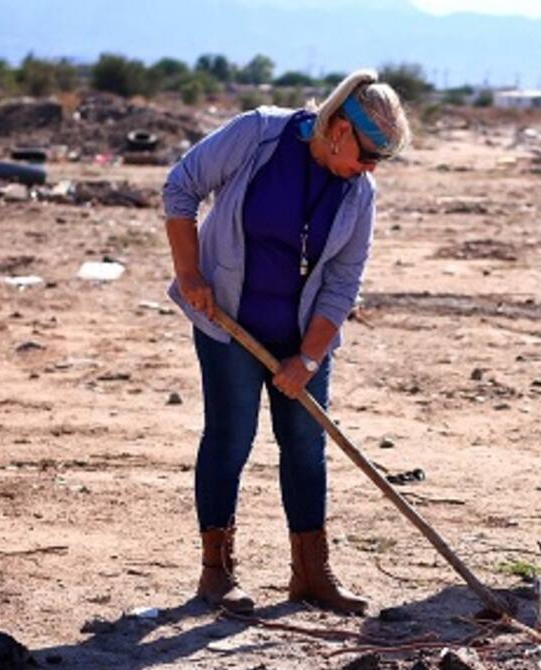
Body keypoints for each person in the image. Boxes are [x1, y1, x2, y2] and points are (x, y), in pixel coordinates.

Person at [162, 69, 410, 614]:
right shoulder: (257, 135)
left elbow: (343, 282)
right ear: (339, 129)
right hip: (228, 322)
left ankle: (311, 574)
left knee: (304, 444)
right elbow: (181, 186)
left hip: (302, 336)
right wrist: (190, 273)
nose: (370, 170)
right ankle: (216, 573)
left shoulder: (358, 193)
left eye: (379, 162)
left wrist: (309, 357)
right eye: (367, 155)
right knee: (231, 437)